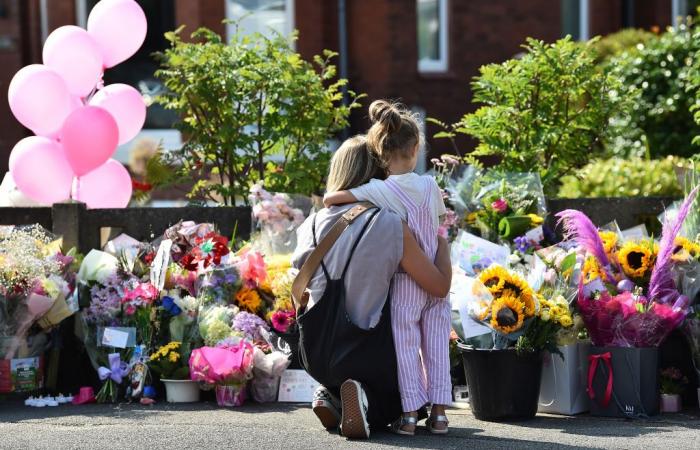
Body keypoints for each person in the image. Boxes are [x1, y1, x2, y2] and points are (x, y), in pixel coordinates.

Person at [293, 135, 452, 439]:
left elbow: (301, 287)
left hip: (316, 349)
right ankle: (366, 402)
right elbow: (438, 286)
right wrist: (442, 247)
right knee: (404, 401)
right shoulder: (390, 223)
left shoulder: (310, 224)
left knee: (340, 367)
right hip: (368, 349)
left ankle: (333, 393)